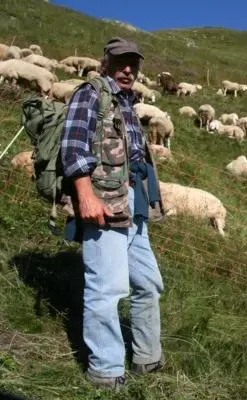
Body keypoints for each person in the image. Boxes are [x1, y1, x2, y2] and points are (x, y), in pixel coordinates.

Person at [60, 37, 165, 390]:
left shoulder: (128, 104)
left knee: (148, 283)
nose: (128, 69)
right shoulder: (90, 94)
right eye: (121, 62)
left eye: (133, 64)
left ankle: (147, 358)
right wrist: (85, 195)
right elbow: (73, 146)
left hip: (133, 202)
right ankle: (105, 371)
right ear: (105, 62)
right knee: (108, 287)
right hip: (103, 200)